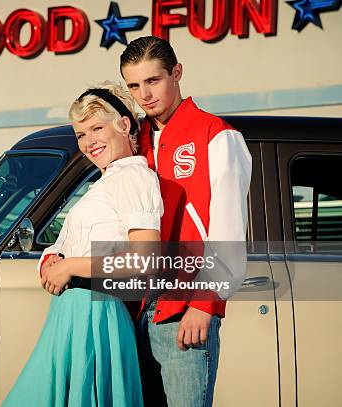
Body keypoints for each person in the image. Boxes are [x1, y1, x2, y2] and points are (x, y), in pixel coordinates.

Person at [2, 82, 163, 406]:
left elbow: (145, 261)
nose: (89, 142)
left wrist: (71, 266)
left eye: (97, 128)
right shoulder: (105, 183)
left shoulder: (134, 177)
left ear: (124, 124)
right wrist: (52, 259)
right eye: (81, 134)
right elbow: (67, 245)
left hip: (96, 313)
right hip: (72, 313)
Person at [119, 36, 252, 406]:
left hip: (184, 310)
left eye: (153, 80)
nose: (144, 94)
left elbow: (228, 228)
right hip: (135, 311)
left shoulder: (216, 135)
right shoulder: (134, 141)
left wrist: (204, 303)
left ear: (176, 73)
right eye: (134, 85)